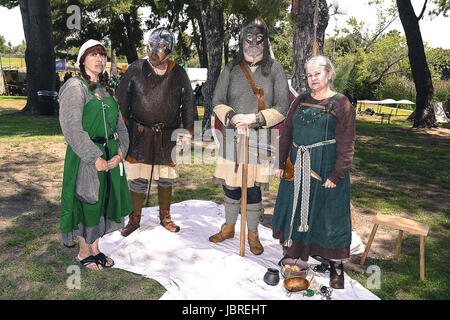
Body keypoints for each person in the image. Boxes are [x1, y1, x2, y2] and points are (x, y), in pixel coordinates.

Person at [271, 55, 356, 289]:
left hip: (325, 168)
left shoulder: (341, 103)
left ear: (329, 73)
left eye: (317, 74)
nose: (312, 79)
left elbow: (347, 143)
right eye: (309, 75)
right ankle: (297, 255)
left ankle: (336, 266)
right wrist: (280, 164)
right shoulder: (300, 100)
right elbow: (287, 133)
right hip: (297, 165)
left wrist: (336, 174)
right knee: (297, 210)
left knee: (330, 216)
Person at [209, 18, 290, 255]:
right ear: (242, 40)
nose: (253, 44)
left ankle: (253, 233)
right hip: (232, 139)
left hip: (259, 140)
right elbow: (216, 101)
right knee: (231, 187)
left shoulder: (275, 69)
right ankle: (229, 227)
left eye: (259, 39)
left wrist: (253, 119)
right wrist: (233, 117)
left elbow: (282, 107)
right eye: (249, 38)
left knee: (253, 189)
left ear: (265, 42)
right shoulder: (231, 69)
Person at [59, 39, 132, 270]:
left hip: (110, 155)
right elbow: (71, 128)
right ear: (83, 60)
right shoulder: (75, 87)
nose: (99, 59)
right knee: (86, 199)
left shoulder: (105, 89)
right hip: (85, 156)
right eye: (93, 55)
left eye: (102, 55)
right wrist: (94, 157)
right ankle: (83, 251)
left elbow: (120, 126)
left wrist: (121, 152)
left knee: (103, 199)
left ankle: (96, 248)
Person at [116, 27, 194, 237]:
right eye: (151, 47)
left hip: (167, 134)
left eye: (159, 49)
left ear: (169, 51)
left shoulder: (178, 73)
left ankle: (165, 217)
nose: (153, 52)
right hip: (139, 133)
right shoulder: (135, 69)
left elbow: (188, 104)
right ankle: (134, 219)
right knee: (138, 178)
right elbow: (122, 101)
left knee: (166, 178)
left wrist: (187, 132)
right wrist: (119, 131)